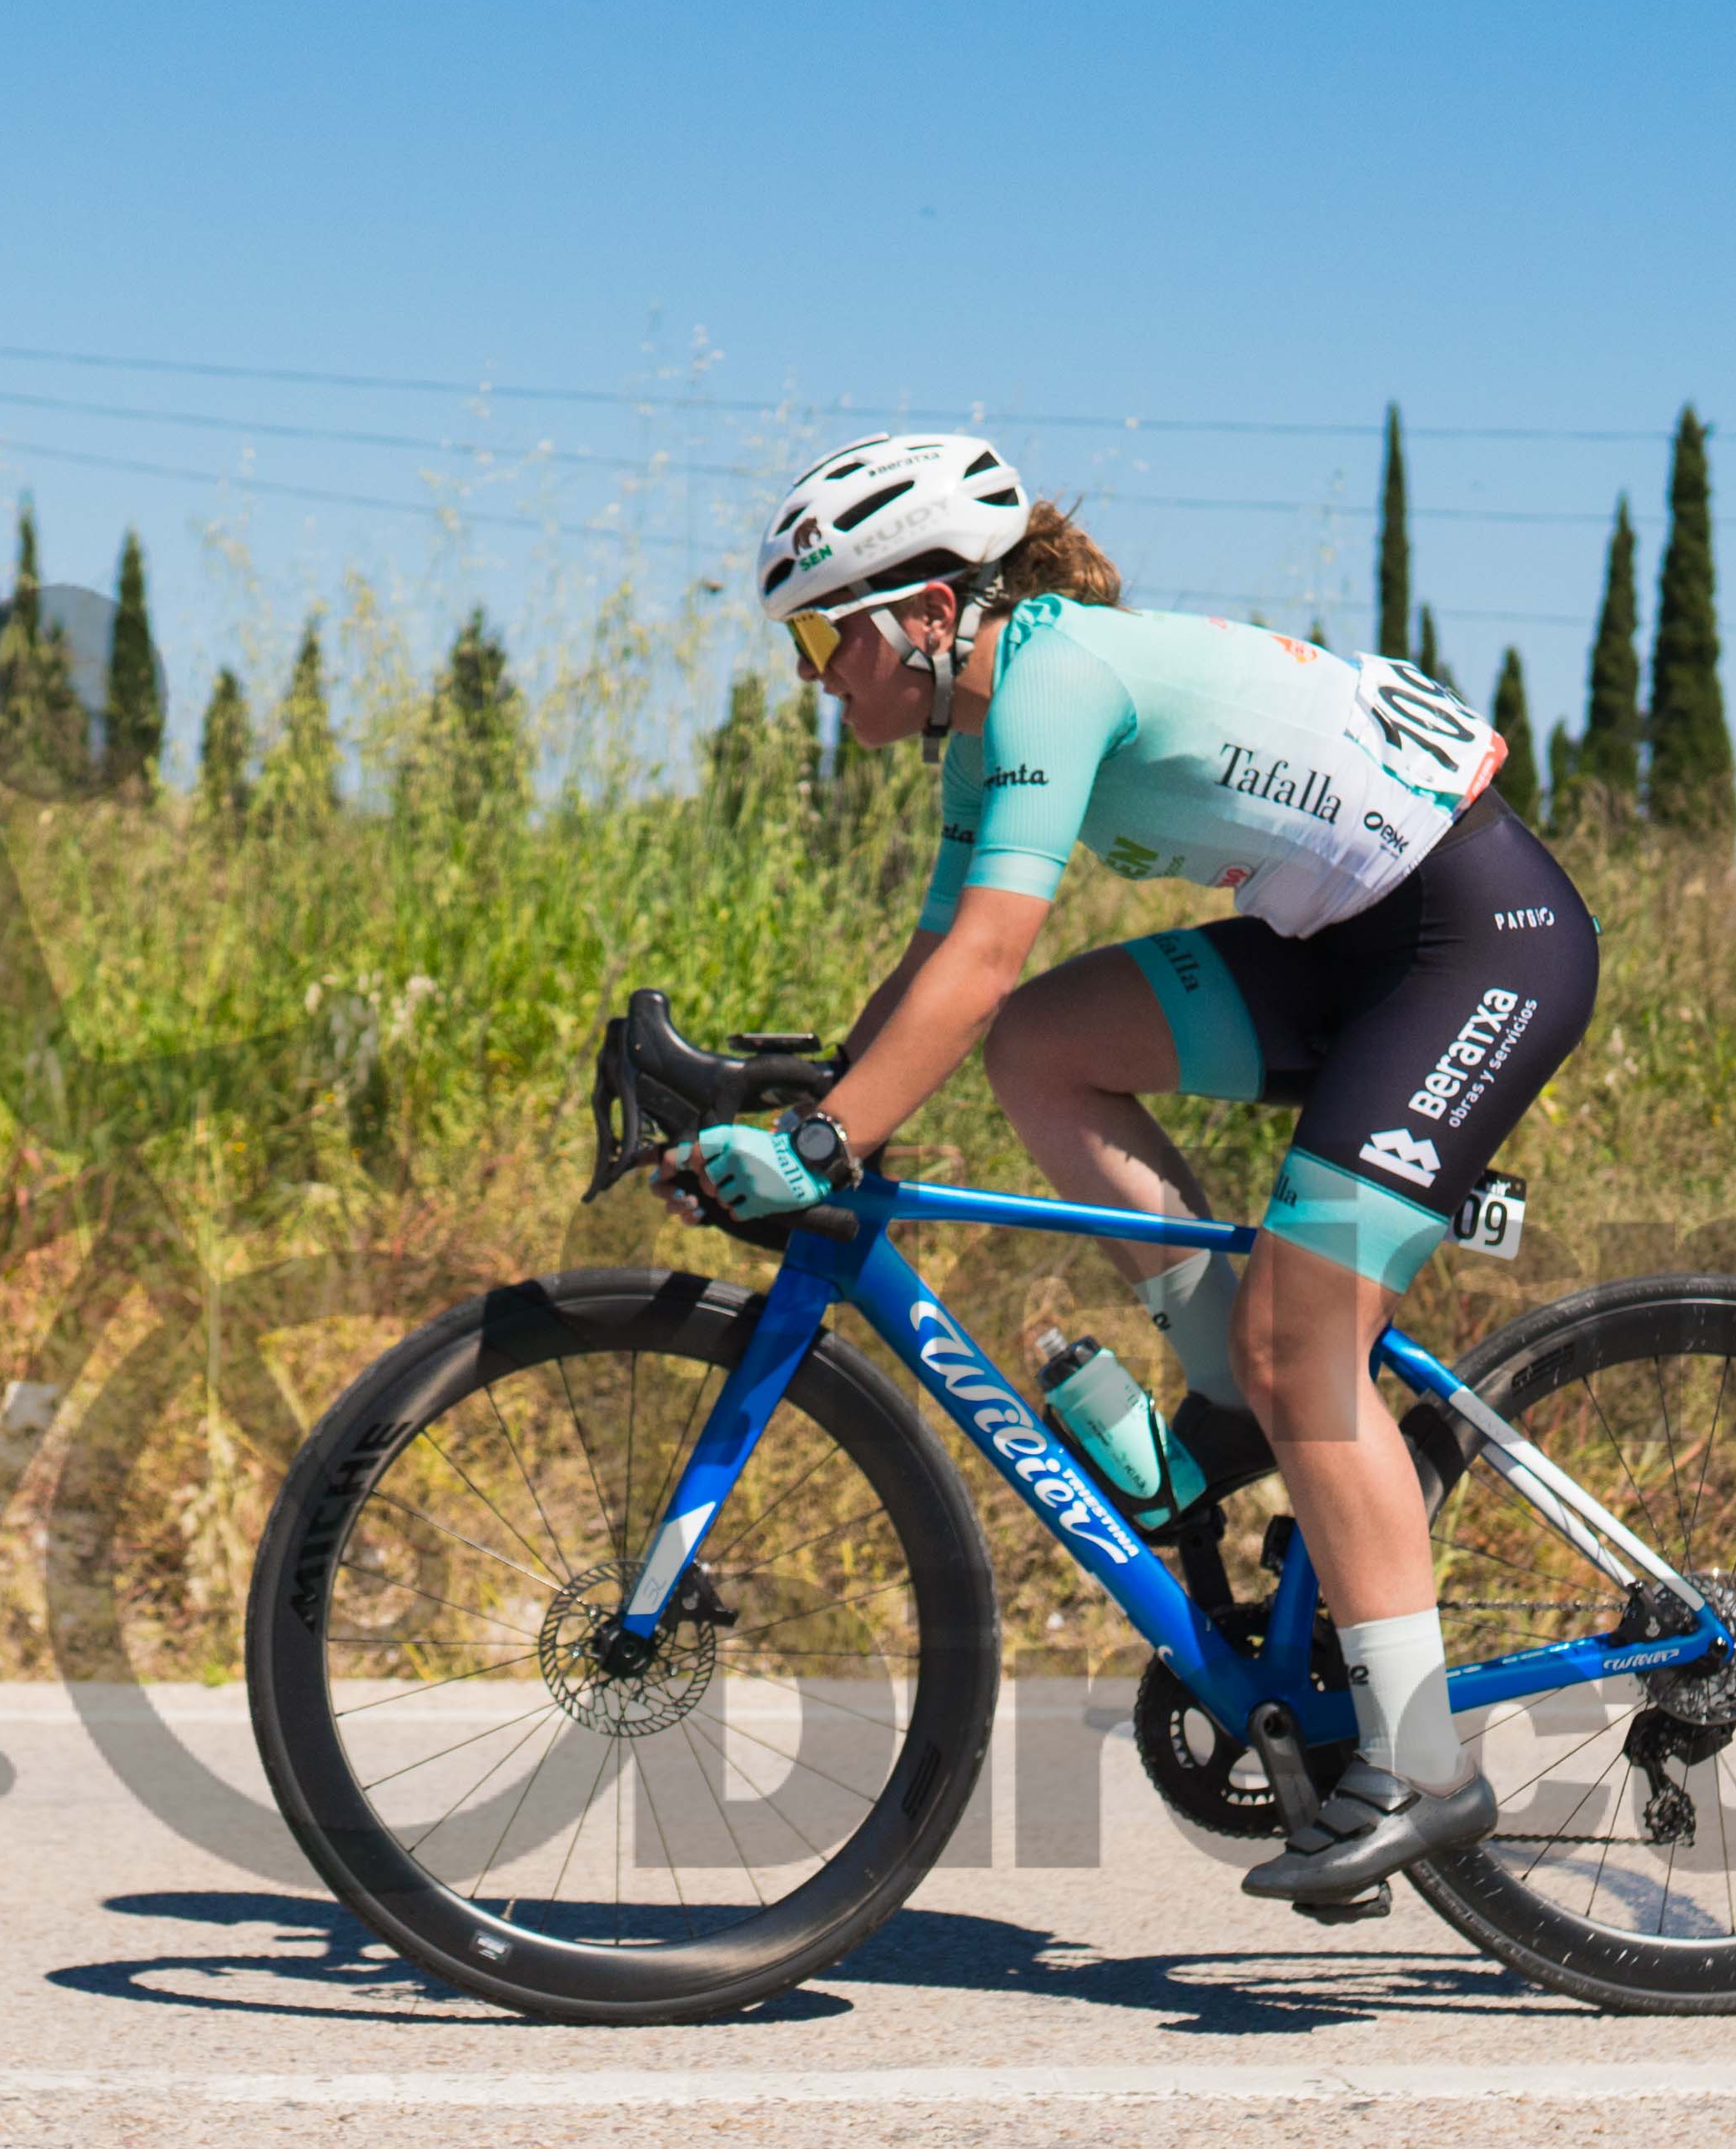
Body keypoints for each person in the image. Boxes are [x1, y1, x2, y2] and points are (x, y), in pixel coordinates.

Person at [662, 429, 1598, 1904]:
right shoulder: (987, 717)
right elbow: (936, 965)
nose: (817, 676)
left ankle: (1425, 1758)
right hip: (1350, 945)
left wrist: (826, 1144)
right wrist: (816, 1110)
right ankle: (1234, 1398)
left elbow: (977, 955)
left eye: (824, 638)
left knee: (1307, 1347)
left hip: (1473, 945)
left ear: (920, 614)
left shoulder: (1050, 673)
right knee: (1044, 1046)